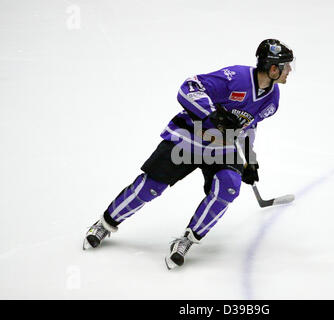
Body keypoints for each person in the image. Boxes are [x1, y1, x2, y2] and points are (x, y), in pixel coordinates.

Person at [83, 39, 294, 270]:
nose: (289, 70)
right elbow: (189, 87)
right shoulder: (236, 77)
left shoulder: (272, 100)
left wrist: (250, 161)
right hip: (190, 135)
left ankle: (187, 241)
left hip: (221, 145)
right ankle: (105, 223)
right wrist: (210, 114)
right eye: (286, 66)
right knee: (151, 186)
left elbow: (248, 127)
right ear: (273, 68)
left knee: (229, 186)